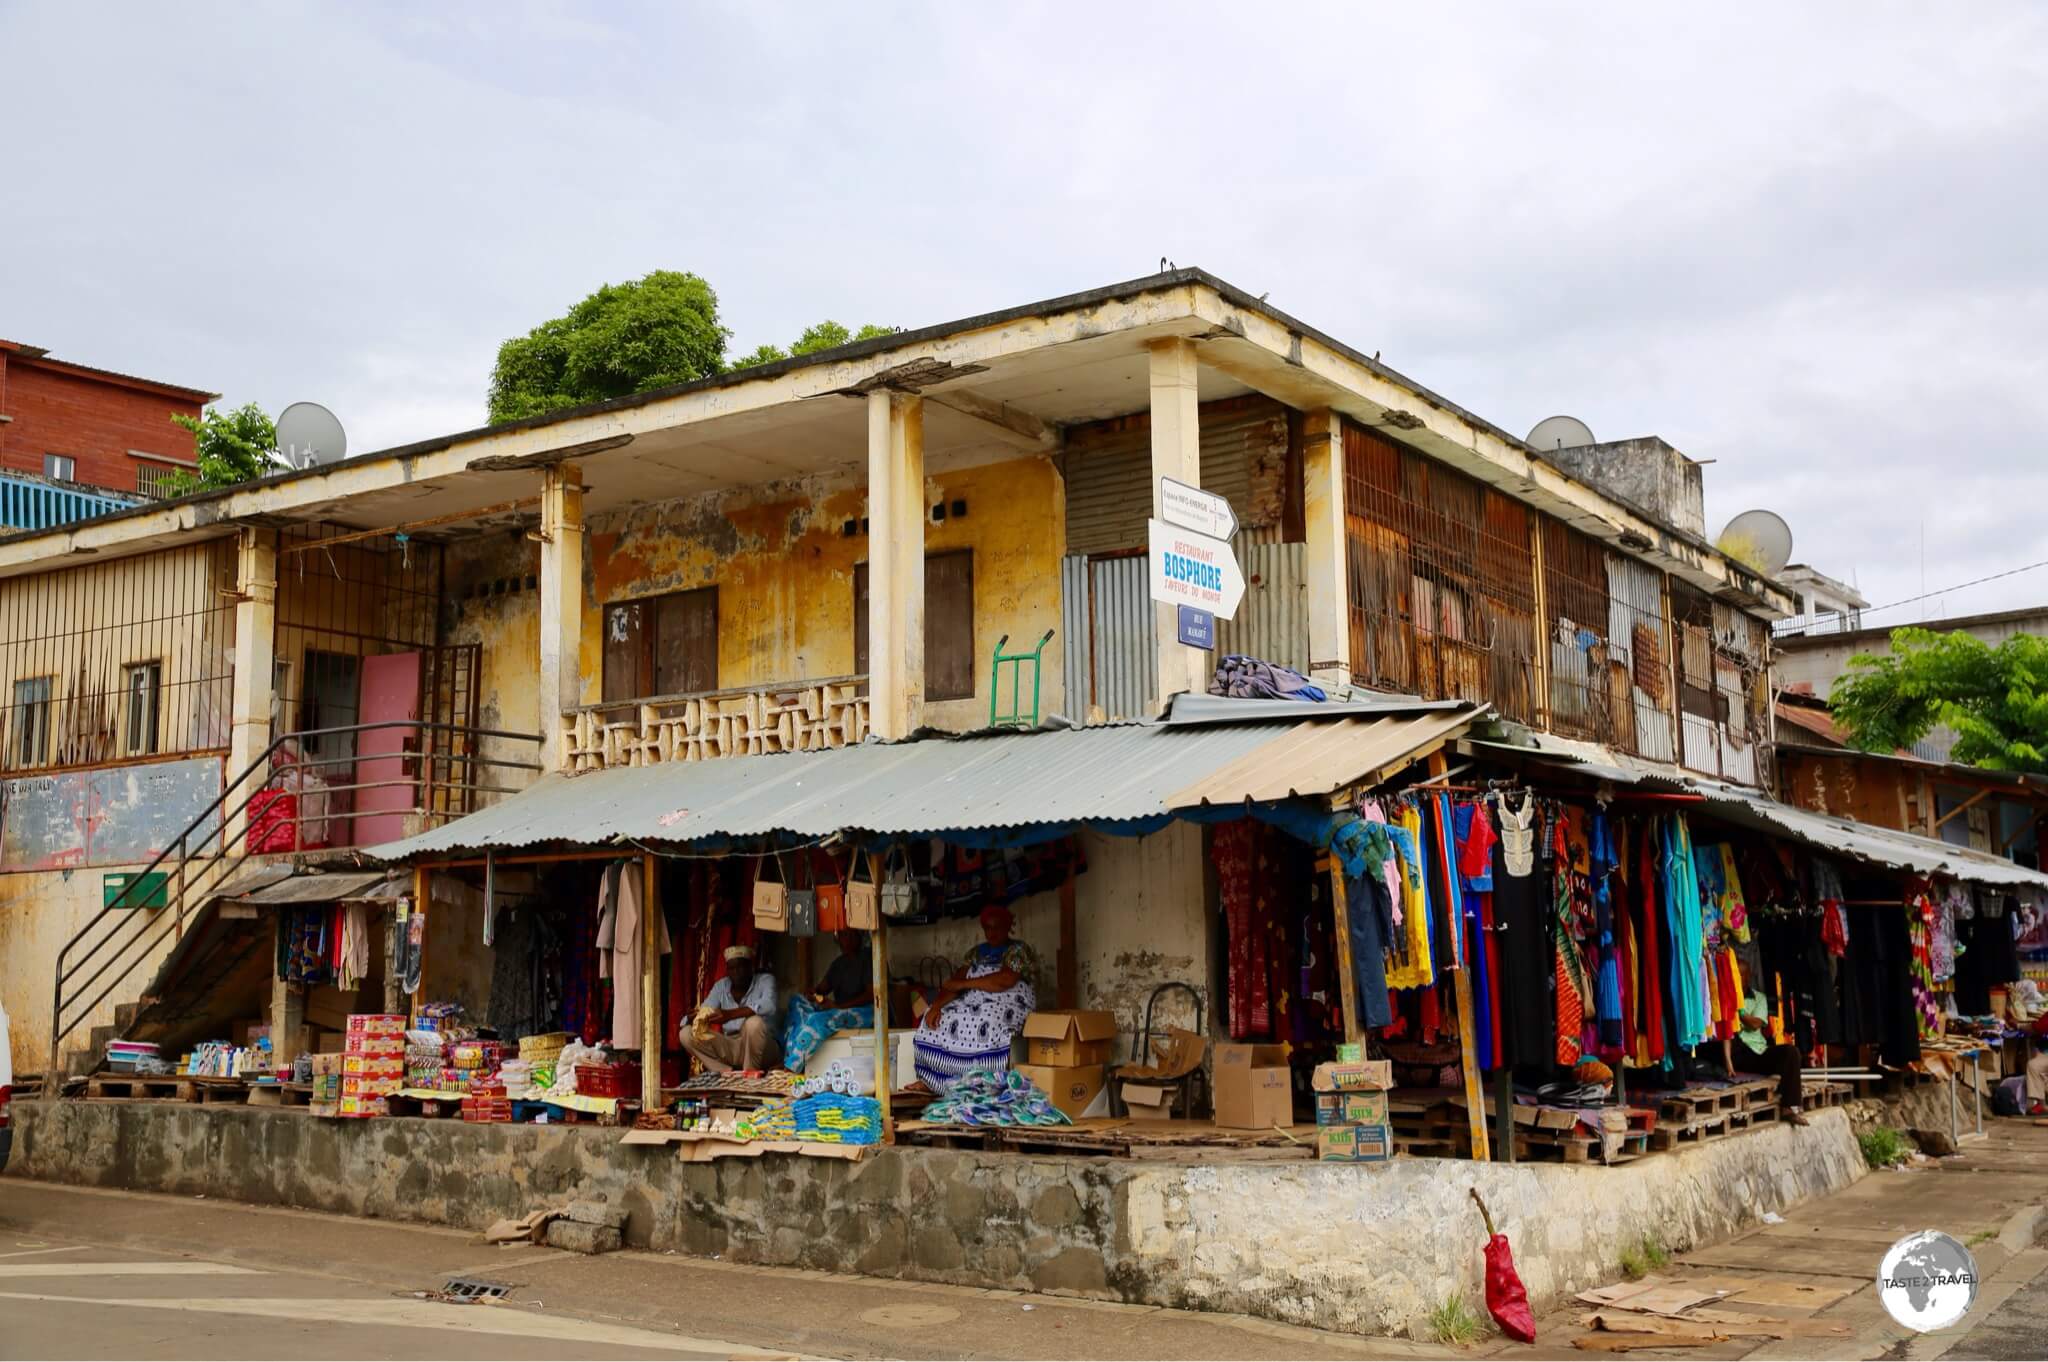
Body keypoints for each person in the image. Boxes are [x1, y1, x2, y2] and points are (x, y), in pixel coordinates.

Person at [911, 903, 1038, 1094]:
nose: (992, 932)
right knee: (934, 1019)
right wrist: (936, 1006)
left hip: (1008, 1000)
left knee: (988, 1020)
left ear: (1007, 927)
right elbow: (955, 983)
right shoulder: (976, 953)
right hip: (974, 998)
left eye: (997, 927)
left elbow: (1004, 980)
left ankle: (986, 1085)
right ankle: (934, 1082)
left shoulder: (1018, 949)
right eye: (988, 927)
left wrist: (964, 985)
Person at [680, 944, 783, 1072]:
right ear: (727, 970)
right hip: (732, 1047)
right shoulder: (721, 986)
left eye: (741, 967)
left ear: (751, 967)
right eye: (731, 968)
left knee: (753, 1023)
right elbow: (706, 1009)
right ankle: (725, 1073)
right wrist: (693, 1018)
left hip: (764, 1048)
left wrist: (729, 1014)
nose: (736, 973)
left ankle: (749, 1075)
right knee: (686, 1034)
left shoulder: (765, 980)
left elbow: (769, 1005)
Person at [1728, 987, 1809, 1127]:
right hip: (1738, 1051)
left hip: (1758, 1049)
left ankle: (1788, 1107)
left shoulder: (1759, 997)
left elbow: (1755, 1024)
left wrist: (1738, 1010)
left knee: (1792, 1052)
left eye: (1742, 975)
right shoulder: (1727, 994)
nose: (1739, 979)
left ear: (1749, 976)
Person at [810, 927, 874, 1008]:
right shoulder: (838, 964)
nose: (848, 939)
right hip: (842, 1013)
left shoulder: (868, 958)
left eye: (852, 934)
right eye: (843, 935)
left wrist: (840, 1007)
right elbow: (821, 989)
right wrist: (813, 993)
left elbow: (871, 995)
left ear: (859, 936)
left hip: (864, 1014)